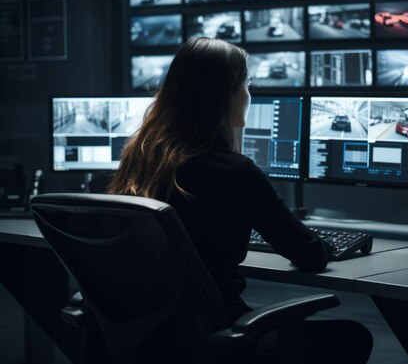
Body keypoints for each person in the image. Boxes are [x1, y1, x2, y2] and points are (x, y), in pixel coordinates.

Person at [107, 37, 372, 363]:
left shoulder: (141, 159)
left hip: (152, 338)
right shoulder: (233, 171)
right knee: (353, 337)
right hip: (219, 337)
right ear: (226, 94)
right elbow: (311, 255)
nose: (250, 95)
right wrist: (325, 242)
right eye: (247, 85)